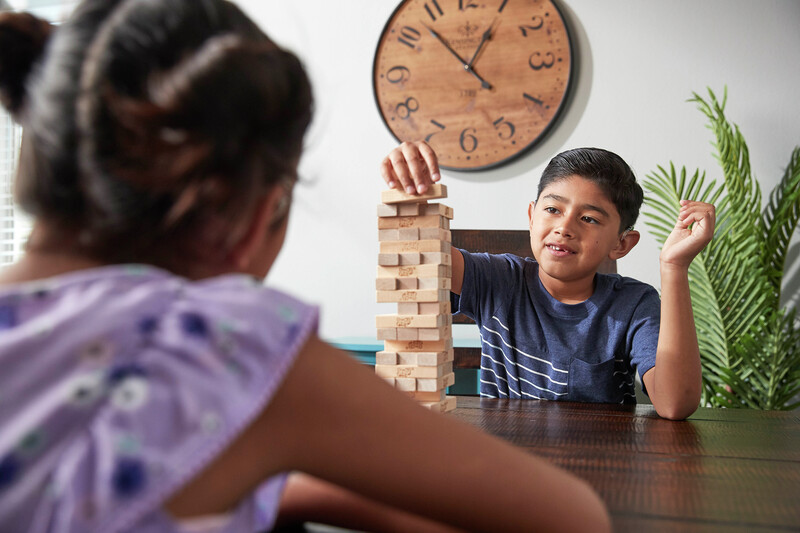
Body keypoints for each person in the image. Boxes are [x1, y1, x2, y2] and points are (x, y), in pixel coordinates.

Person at [0, 2, 611, 532]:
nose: (564, 228)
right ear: (258, 214)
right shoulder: (223, 343)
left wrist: (281, 490)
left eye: (589, 218)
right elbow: (574, 518)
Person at [380, 141, 716, 421]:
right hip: (505, 465)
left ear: (621, 244)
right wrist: (409, 192)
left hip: (601, 470)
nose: (565, 227)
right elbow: (416, 255)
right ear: (531, 216)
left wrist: (674, 267)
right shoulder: (497, 280)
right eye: (553, 209)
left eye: (589, 218)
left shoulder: (634, 305)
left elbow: (675, 404)